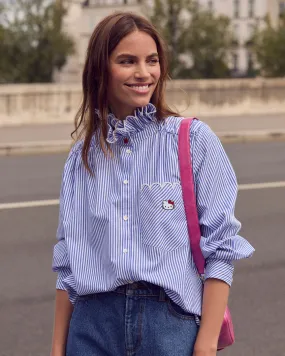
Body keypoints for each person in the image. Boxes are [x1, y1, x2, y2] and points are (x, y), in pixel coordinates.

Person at [51, 12, 254, 356]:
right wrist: (57, 349)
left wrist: (205, 344)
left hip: (169, 326)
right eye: (127, 61)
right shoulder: (80, 158)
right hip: (91, 328)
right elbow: (69, 263)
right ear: (101, 69)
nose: (144, 73)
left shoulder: (193, 141)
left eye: (152, 60)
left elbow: (221, 248)